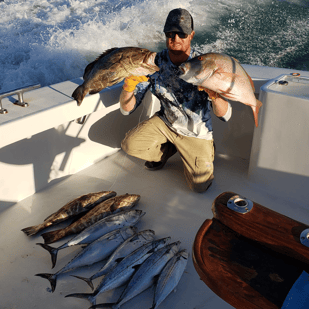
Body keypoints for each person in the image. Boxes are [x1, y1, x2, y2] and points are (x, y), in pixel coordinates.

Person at [119, 8, 232, 193]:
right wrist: (128, 87)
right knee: (129, 144)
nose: (176, 38)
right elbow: (126, 109)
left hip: (196, 133)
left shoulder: (206, 63)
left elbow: (226, 115)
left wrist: (214, 95)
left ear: (191, 35)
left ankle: (205, 150)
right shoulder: (153, 63)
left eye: (182, 33)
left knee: (200, 186)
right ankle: (168, 150)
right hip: (166, 123)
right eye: (170, 33)